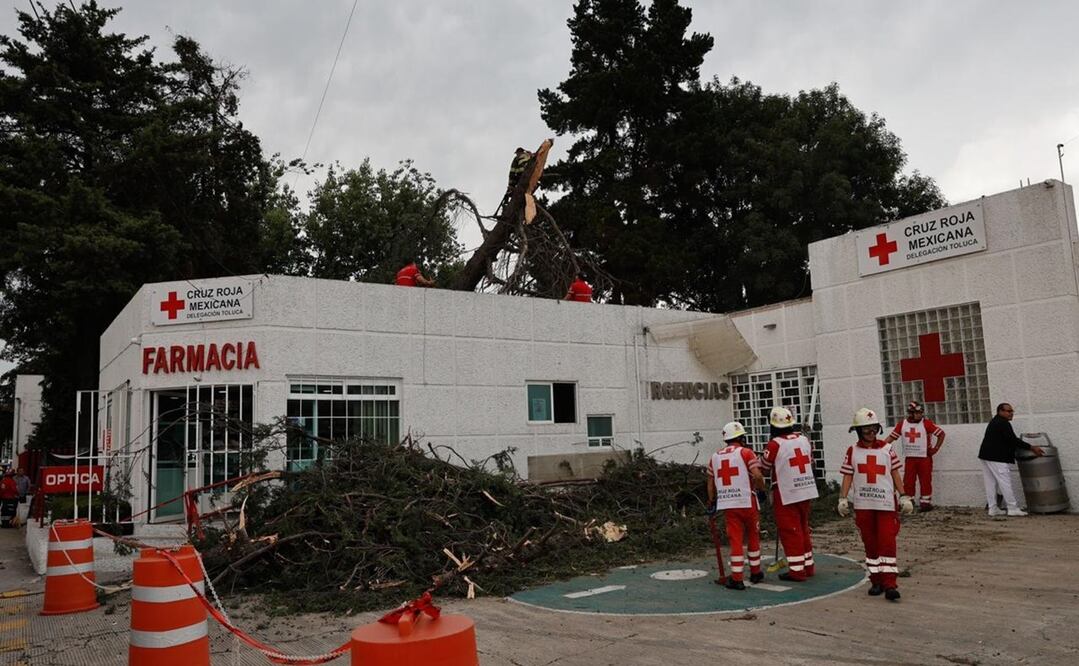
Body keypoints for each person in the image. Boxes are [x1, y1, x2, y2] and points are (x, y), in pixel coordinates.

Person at [838, 407, 914, 601]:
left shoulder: (887, 449)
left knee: (887, 544)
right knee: (871, 546)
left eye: (874, 429)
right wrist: (842, 498)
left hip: (886, 506)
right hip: (864, 506)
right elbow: (848, 475)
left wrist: (904, 496)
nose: (871, 433)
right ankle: (876, 581)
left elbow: (895, 473)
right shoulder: (852, 451)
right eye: (866, 430)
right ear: (858, 431)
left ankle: (890, 584)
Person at [760, 406, 819, 582]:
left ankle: (796, 571)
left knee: (790, 531)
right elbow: (811, 462)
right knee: (803, 528)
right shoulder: (804, 440)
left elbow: (764, 469)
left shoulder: (774, 444)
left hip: (786, 492)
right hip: (806, 489)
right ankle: (808, 566)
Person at [707, 421, 767, 590]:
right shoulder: (746, 453)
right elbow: (757, 475)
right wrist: (762, 490)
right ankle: (756, 573)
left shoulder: (715, 457)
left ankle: (737, 578)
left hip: (729, 505)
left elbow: (710, 482)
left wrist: (711, 501)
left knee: (736, 540)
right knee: (753, 536)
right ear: (741, 437)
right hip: (748, 502)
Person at [978, 402, 1044, 517]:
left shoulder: (995, 421)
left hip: (986, 456)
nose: (1011, 413)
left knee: (990, 483)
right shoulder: (1003, 423)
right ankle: (1012, 508)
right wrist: (1031, 447)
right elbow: (1013, 440)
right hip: (996, 457)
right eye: (1008, 411)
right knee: (1005, 482)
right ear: (1000, 411)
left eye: (1012, 411)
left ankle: (993, 508)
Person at [885, 400, 945, 511]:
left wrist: (936, 448)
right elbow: (891, 437)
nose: (919, 415)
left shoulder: (926, 423)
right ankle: (908, 502)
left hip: (924, 458)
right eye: (916, 413)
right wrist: (880, 447)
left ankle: (925, 503)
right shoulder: (902, 424)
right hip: (910, 458)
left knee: (925, 480)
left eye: (920, 413)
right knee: (908, 480)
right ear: (911, 413)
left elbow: (941, 434)